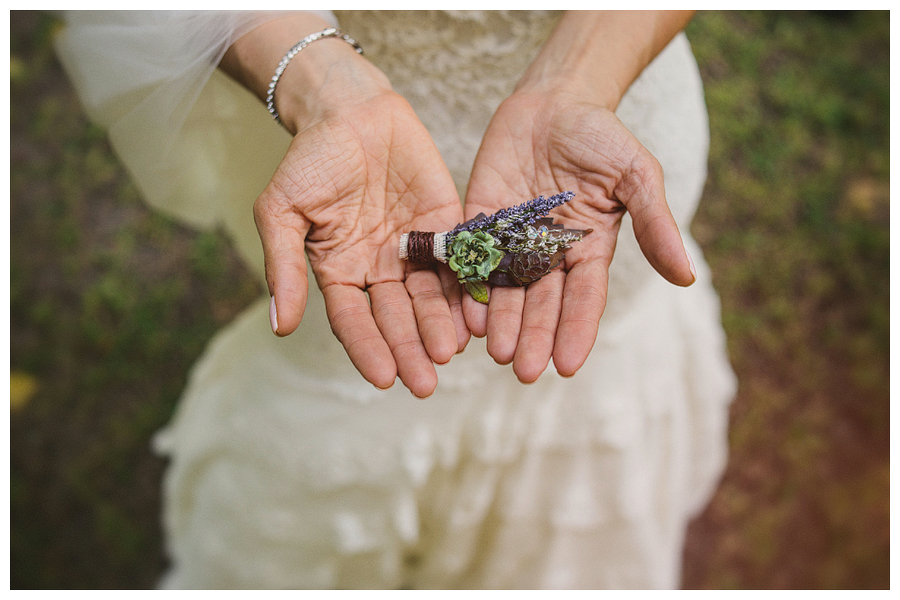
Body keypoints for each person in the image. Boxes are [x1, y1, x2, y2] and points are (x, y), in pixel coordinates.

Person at [55, 10, 736, 588]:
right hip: (353, 173)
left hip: (599, 108)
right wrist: (321, 88)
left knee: (574, 366)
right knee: (354, 350)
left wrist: (579, 83)